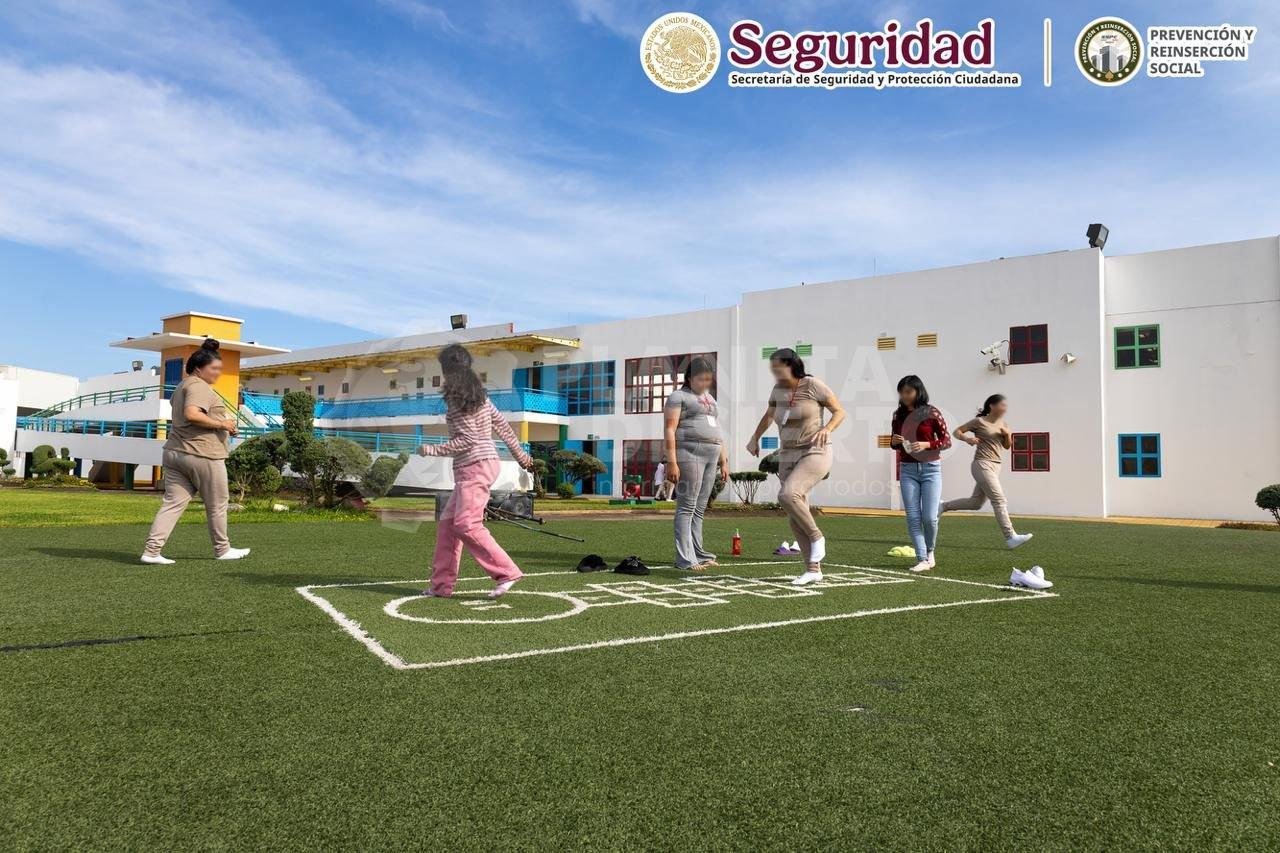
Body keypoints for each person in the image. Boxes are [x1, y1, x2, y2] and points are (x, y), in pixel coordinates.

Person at [418, 344, 536, 599]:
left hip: (474, 467)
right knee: (448, 526)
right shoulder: (480, 396)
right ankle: (441, 586)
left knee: (466, 524)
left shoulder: (456, 398)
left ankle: (507, 573)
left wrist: (432, 449)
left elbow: (467, 439)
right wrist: (523, 458)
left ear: (446, 370)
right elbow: (503, 428)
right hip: (483, 464)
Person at [141, 338, 251, 564]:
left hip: (175, 452)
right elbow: (192, 414)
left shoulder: (181, 386)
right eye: (214, 368)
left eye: (220, 368)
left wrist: (222, 424)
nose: (218, 373)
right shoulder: (198, 386)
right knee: (218, 504)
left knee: (172, 504)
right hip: (202, 454)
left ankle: (151, 552)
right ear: (199, 368)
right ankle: (222, 550)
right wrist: (223, 424)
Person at [747, 348, 846, 585]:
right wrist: (755, 437)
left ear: (792, 365)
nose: (774, 371)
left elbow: (839, 411)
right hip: (787, 454)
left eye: (778, 366)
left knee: (788, 495)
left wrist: (827, 428)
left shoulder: (812, 385)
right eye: (772, 367)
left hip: (815, 450)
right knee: (795, 515)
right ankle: (813, 569)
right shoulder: (777, 390)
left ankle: (817, 537)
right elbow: (769, 415)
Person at [940, 394, 1033, 548]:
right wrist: (968, 439)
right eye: (1002, 405)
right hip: (981, 464)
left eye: (1006, 406)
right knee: (999, 499)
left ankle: (943, 506)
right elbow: (957, 431)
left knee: (976, 503)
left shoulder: (1004, 424)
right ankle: (1010, 537)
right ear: (992, 406)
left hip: (996, 466)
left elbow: (1007, 446)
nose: (1005, 408)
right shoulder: (979, 422)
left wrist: (1007, 435)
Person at [663, 357, 729, 571]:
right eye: (701, 379)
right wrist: (672, 462)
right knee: (687, 507)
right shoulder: (678, 396)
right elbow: (670, 429)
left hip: (713, 454)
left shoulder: (710, 399)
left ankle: (699, 554)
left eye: (708, 379)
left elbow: (717, 429)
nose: (705, 383)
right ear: (690, 378)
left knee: (699, 508)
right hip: (689, 452)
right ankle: (685, 559)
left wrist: (724, 459)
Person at [890, 375, 951, 573]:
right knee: (913, 517)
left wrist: (926, 444)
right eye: (901, 392)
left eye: (908, 391)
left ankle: (930, 551)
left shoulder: (932, 412)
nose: (904, 395)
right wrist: (895, 442)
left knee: (930, 518)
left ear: (918, 391)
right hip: (907, 470)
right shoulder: (897, 415)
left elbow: (947, 441)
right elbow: (894, 444)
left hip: (931, 469)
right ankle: (922, 558)